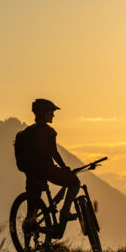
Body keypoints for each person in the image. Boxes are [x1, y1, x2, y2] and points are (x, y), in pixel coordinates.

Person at [21, 99, 79, 239]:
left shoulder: (26, 133)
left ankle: (27, 247)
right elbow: (54, 153)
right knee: (75, 182)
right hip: (46, 169)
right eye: (51, 112)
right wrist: (64, 167)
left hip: (31, 172)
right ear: (44, 113)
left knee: (32, 208)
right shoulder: (48, 131)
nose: (53, 115)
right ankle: (65, 212)